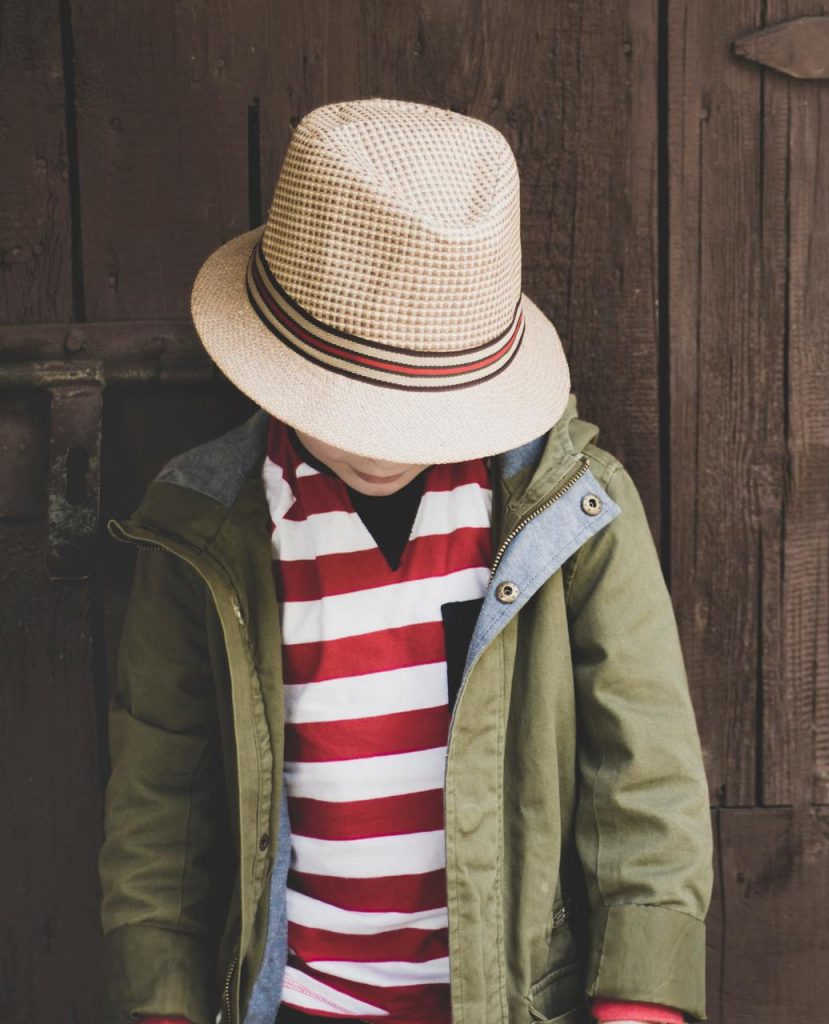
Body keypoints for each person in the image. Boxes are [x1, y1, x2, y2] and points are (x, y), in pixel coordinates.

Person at [97, 97, 713, 1024]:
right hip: (292, 1004)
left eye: (407, 410)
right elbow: (157, 804)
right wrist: (162, 999)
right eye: (346, 403)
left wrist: (643, 1001)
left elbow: (647, 785)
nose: (378, 445)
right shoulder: (202, 530)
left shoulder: (573, 517)